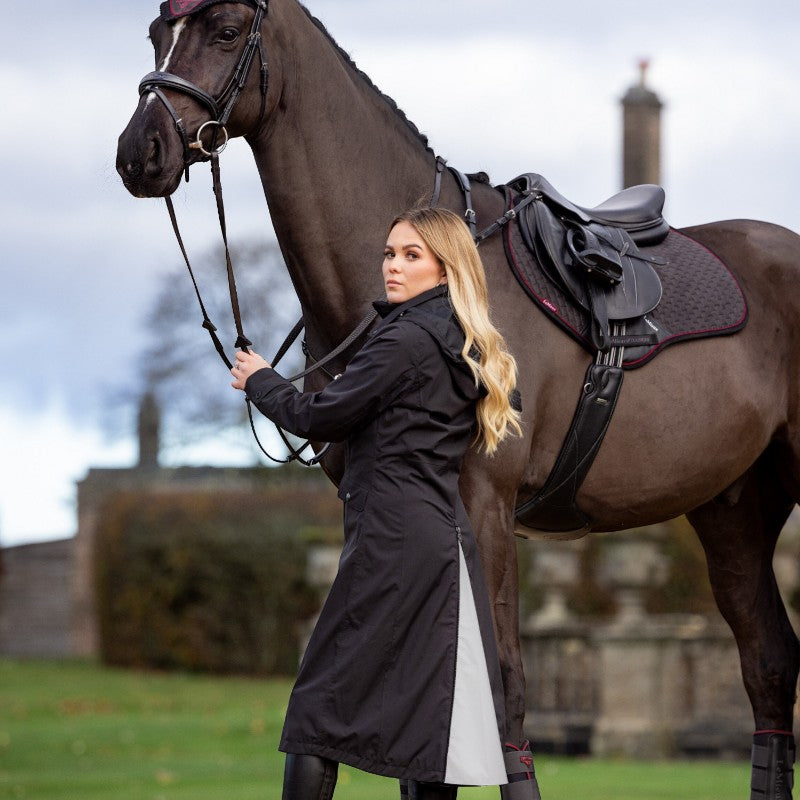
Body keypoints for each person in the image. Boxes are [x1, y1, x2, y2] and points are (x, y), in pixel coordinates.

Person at [231, 207, 525, 800]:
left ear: (445, 269)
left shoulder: (407, 339)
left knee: (317, 712)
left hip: (392, 544)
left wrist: (260, 379)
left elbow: (320, 416)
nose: (393, 266)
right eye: (390, 253)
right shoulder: (459, 340)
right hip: (443, 549)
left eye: (412, 255)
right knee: (430, 724)